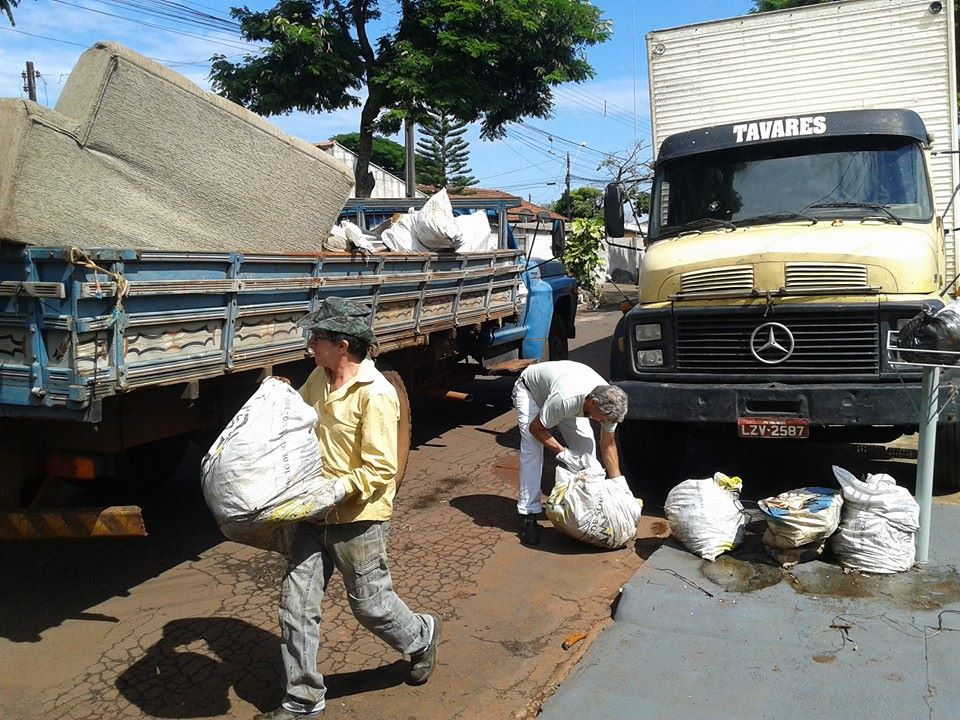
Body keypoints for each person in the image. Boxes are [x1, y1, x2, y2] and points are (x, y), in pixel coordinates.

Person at [254, 297, 439, 720]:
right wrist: (276, 397)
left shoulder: (376, 394)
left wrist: (335, 490)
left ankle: (422, 636)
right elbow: (296, 418)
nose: (309, 345)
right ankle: (303, 699)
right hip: (312, 513)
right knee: (296, 606)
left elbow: (380, 468)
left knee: (371, 605)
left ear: (342, 345)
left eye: (316, 338)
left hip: (358, 517)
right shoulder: (317, 379)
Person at [511, 360, 629, 546]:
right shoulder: (565, 399)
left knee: (586, 451)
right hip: (531, 391)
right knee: (533, 448)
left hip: (566, 395)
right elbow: (536, 428)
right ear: (593, 404)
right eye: (602, 419)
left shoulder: (611, 405)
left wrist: (619, 485)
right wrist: (563, 453)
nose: (602, 422)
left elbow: (608, 445)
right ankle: (528, 514)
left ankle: (582, 508)